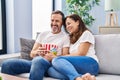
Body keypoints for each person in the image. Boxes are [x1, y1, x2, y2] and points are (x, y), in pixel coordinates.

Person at [1, 10, 70, 80]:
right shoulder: (43, 34)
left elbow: (65, 57)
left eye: (57, 21)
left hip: (51, 65)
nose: (54, 23)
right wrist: (38, 52)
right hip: (35, 63)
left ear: (62, 23)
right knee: (6, 64)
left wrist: (53, 56)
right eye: (52, 20)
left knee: (38, 60)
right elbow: (32, 54)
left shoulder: (65, 37)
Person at [47, 14, 99, 80]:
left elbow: (81, 53)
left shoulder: (86, 33)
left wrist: (58, 57)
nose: (67, 27)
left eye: (69, 23)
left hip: (91, 64)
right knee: (50, 70)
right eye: (66, 25)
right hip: (78, 67)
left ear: (77, 22)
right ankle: (84, 77)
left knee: (57, 60)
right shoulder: (70, 39)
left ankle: (77, 78)